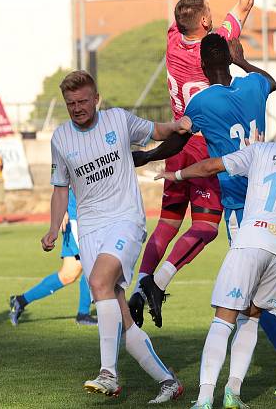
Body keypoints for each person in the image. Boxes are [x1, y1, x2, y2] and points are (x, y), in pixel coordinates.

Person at [137, 36, 276, 395]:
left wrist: (150, 157)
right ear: (228, 59)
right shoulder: (254, 85)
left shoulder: (201, 100)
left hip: (245, 206)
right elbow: (270, 81)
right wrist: (243, 62)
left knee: (252, 301)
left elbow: (180, 141)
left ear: (201, 64)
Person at [130, 0, 264, 330]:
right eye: (207, 9)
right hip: (204, 145)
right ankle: (159, 283)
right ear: (205, 22)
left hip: (175, 140)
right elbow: (245, 2)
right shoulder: (216, 43)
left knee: (168, 221)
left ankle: (141, 285)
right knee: (205, 227)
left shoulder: (174, 37)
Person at [155, 103, 276, 409]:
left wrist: (176, 173)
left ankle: (205, 398)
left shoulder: (261, 151)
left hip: (252, 240)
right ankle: (233, 393)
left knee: (224, 319)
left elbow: (211, 167)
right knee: (253, 318)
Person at [43, 70, 189, 402]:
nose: (77, 108)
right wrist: (54, 227)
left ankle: (108, 373)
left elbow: (157, 131)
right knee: (122, 318)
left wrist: (179, 124)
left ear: (96, 99)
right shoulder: (60, 139)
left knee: (97, 282)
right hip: (91, 230)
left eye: (82, 101)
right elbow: (60, 189)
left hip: (126, 219)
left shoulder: (118, 120)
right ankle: (168, 381)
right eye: (70, 103)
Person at [9, 187, 96, 326]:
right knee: (92, 264)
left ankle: (20, 301)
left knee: (68, 274)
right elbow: (61, 179)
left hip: (89, 217)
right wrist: (62, 209)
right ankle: (83, 314)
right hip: (75, 218)